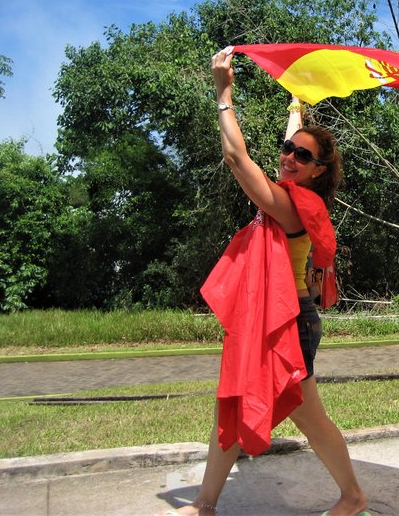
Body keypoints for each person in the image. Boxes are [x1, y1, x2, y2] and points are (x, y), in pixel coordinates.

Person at [158, 46, 369, 516]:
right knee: (233, 403)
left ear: (317, 171)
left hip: (289, 322)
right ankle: (205, 505)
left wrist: (224, 92)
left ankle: (353, 496)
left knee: (307, 416)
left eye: (302, 155)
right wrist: (296, 101)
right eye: (288, 149)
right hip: (272, 317)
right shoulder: (292, 188)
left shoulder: (294, 205)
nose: (290, 155)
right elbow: (292, 143)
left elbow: (236, 157)